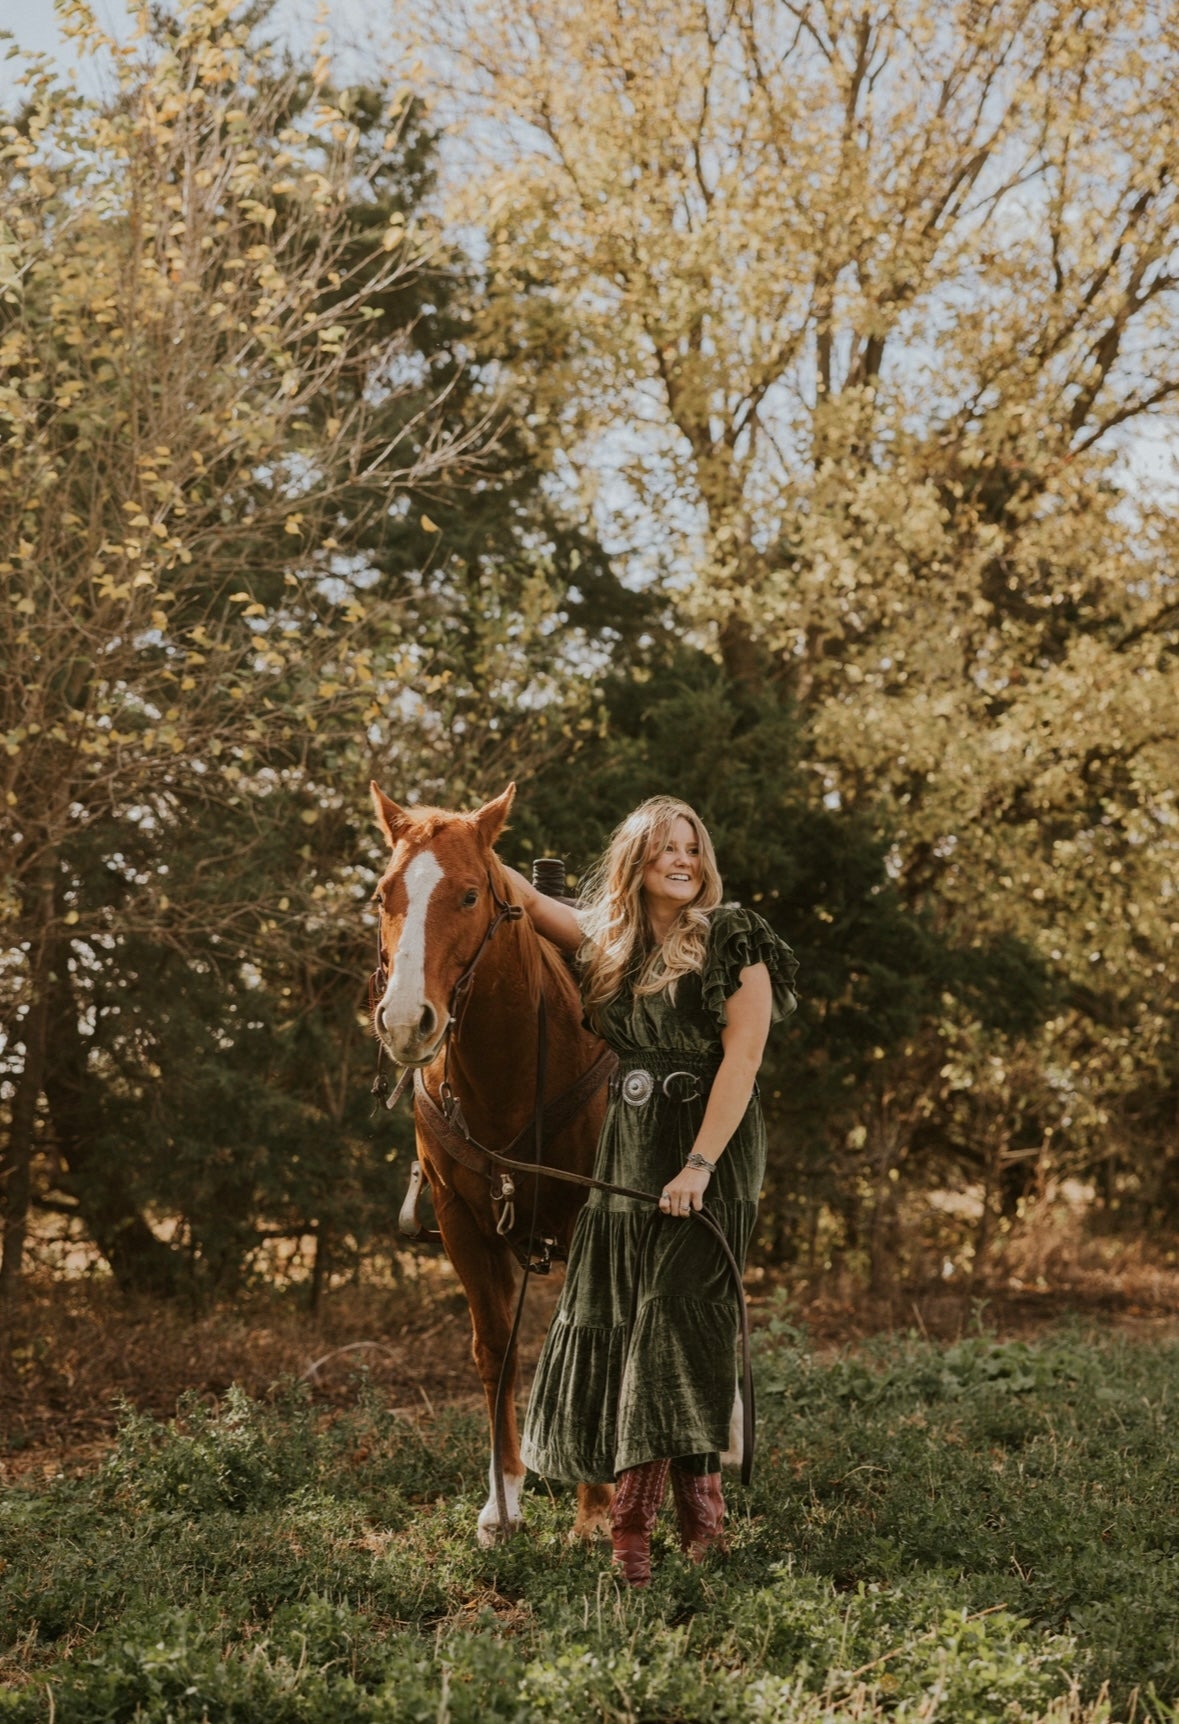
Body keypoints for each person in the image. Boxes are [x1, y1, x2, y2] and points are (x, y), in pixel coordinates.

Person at [503, 796, 798, 1586]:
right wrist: (452, 839)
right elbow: (526, 901)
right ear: (637, 860)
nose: (684, 861)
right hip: (627, 1153)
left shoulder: (731, 934)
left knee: (673, 1329)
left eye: (692, 849)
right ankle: (702, 1523)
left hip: (708, 1148)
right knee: (621, 1323)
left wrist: (698, 1166)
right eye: (667, 848)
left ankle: (633, 1530)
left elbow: (741, 1060)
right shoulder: (611, 941)